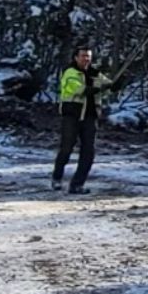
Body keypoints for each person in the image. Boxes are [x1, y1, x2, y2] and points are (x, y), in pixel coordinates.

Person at [52, 45, 105, 193]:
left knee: (88, 152)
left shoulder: (95, 73)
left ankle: (77, 184)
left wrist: (120, 80)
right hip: (72, 116)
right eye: (83, 56)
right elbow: (76, 89)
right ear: (76, 58)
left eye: (88, 56)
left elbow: (109, 85)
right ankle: (57, 177)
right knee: (66, 149)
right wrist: (92, 89)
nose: (86, 59)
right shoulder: (69, 72)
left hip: (90, 116)